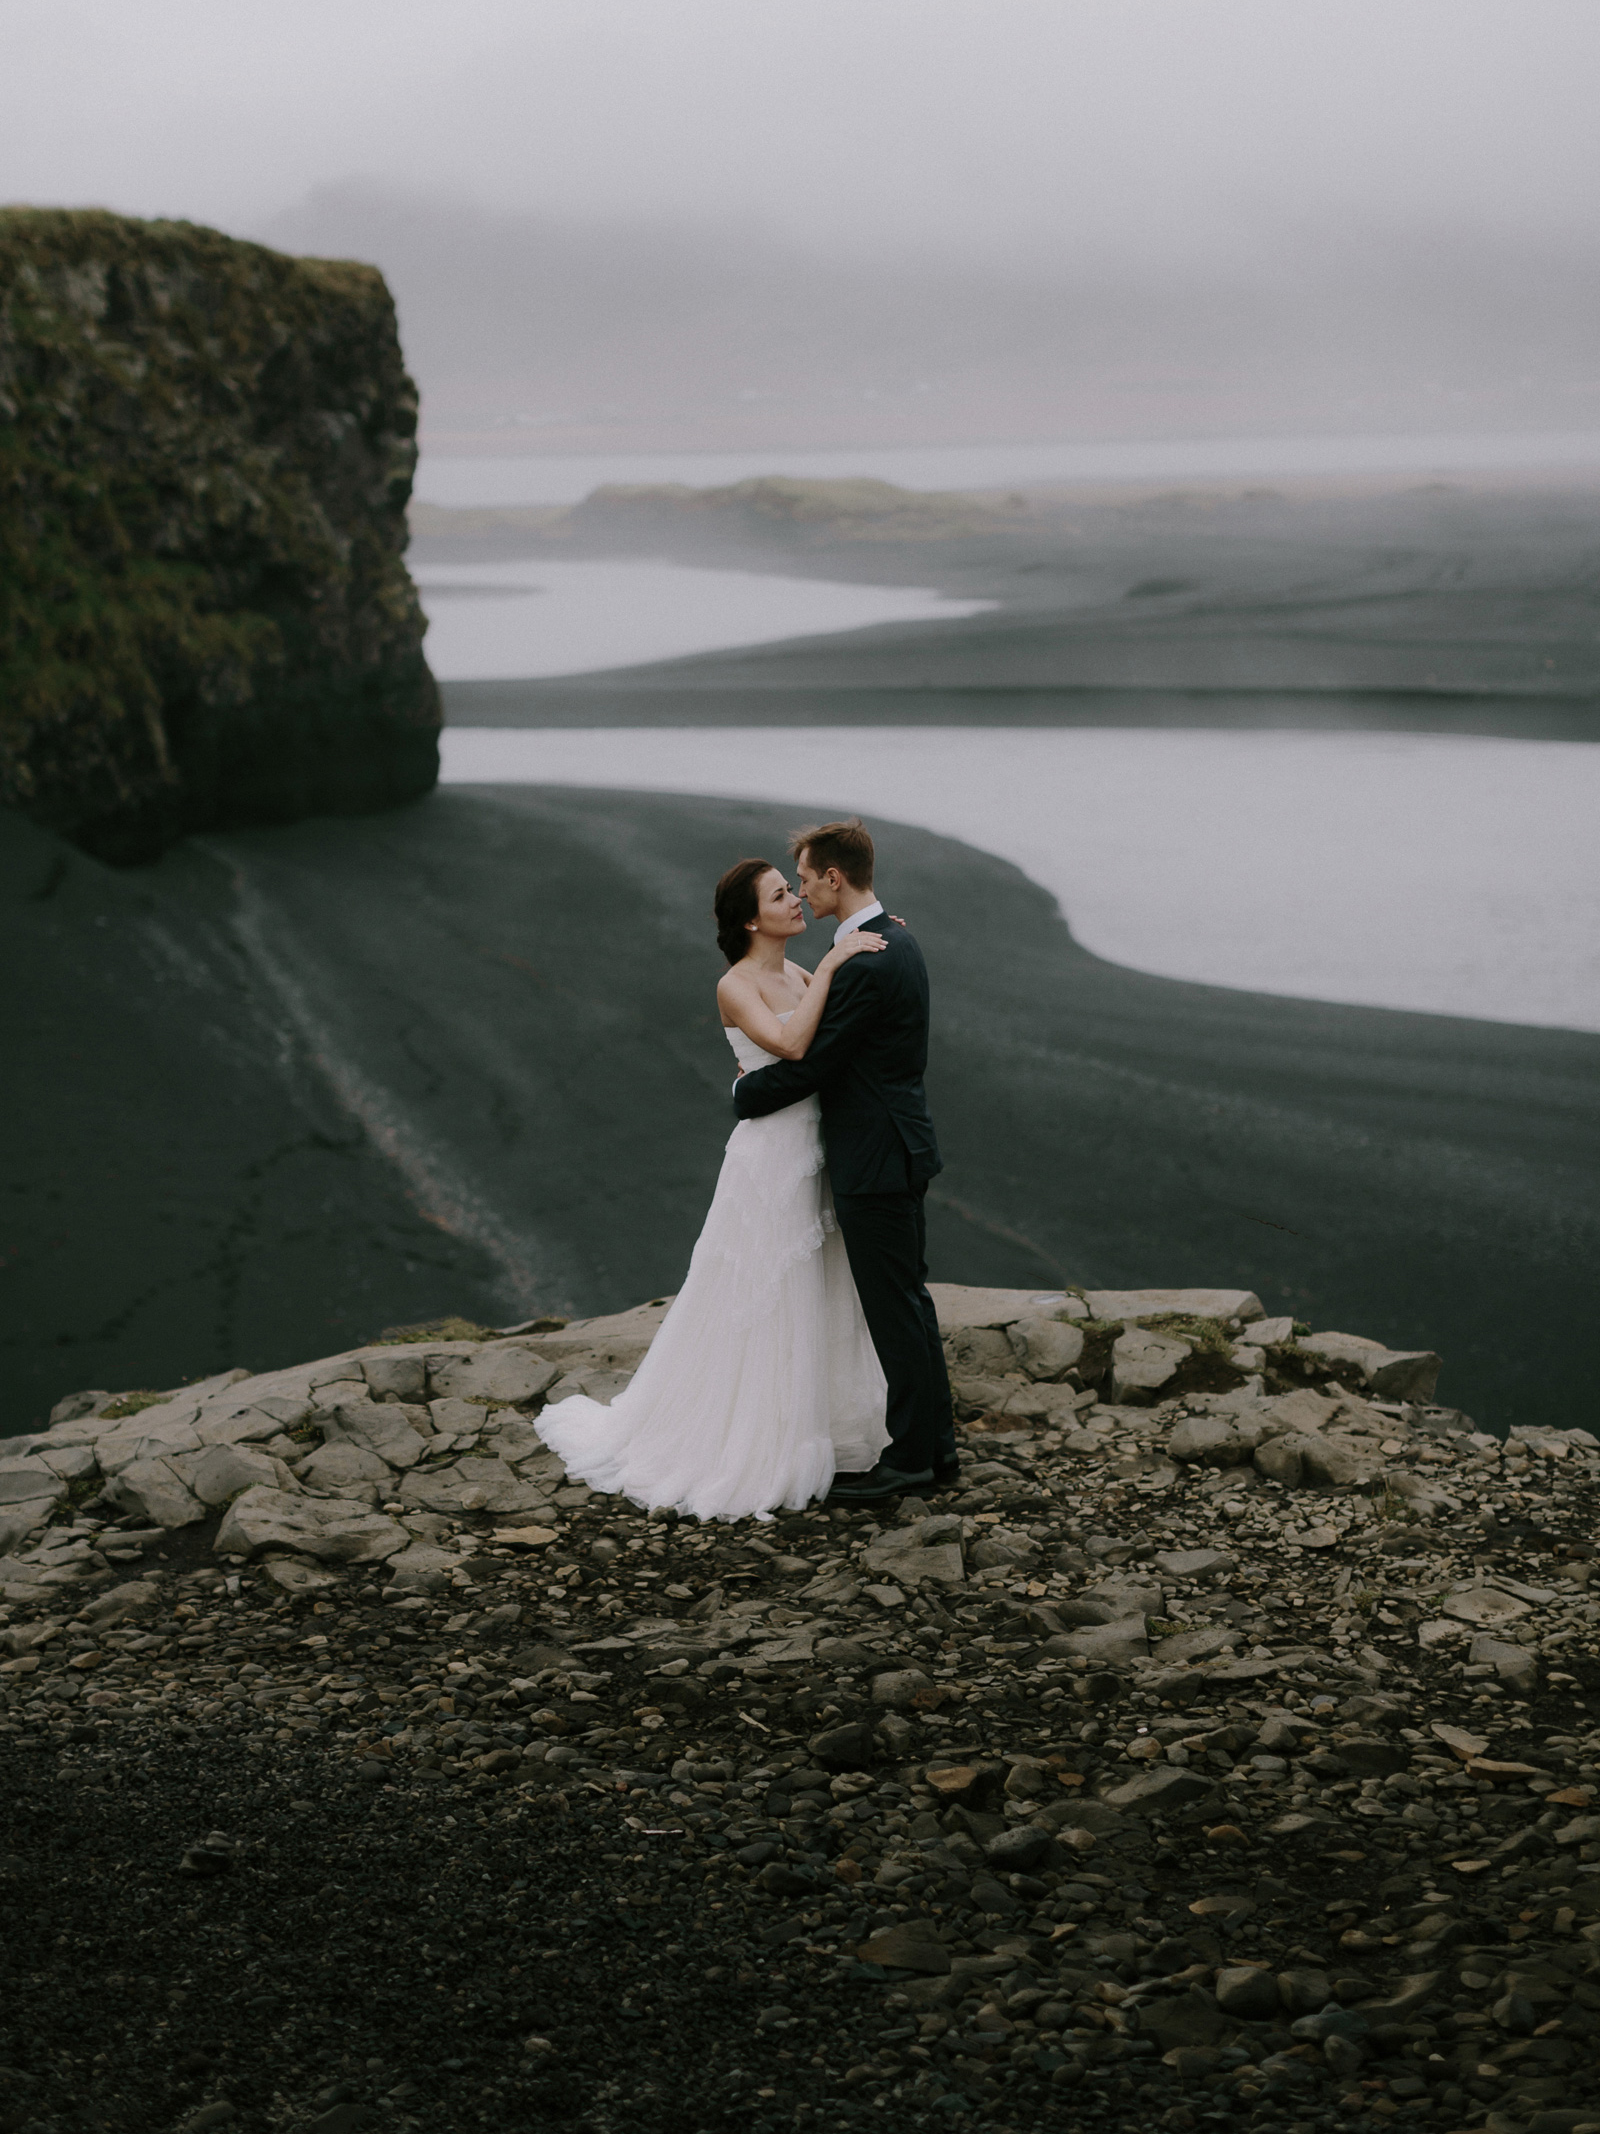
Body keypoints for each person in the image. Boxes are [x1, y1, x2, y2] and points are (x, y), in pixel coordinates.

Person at [532, 855, 893, 1520]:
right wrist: (840, 963)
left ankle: (824, 1426)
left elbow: (832, 1037)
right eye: (781, 894)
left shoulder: (798, 971)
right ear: (753, 918)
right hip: (770, 1158)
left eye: (793, 889)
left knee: (817, 1286)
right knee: (763, 1290)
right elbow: (789, 1045)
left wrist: (860, 951)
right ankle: (751, 1437)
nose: (794, 900)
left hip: (813, 1149)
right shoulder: (737, 984)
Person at [733, 818, 958, 1503]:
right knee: (909, 1304)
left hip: (877, 1157)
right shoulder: (897, 936)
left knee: (895, 1309)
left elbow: (817, 1062)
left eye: (803, 877)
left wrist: (747, 1092)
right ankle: (934, 1451)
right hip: (899, 1145)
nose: (800, 890)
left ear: (834, 876)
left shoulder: (868, 957)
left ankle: (914, 1460)